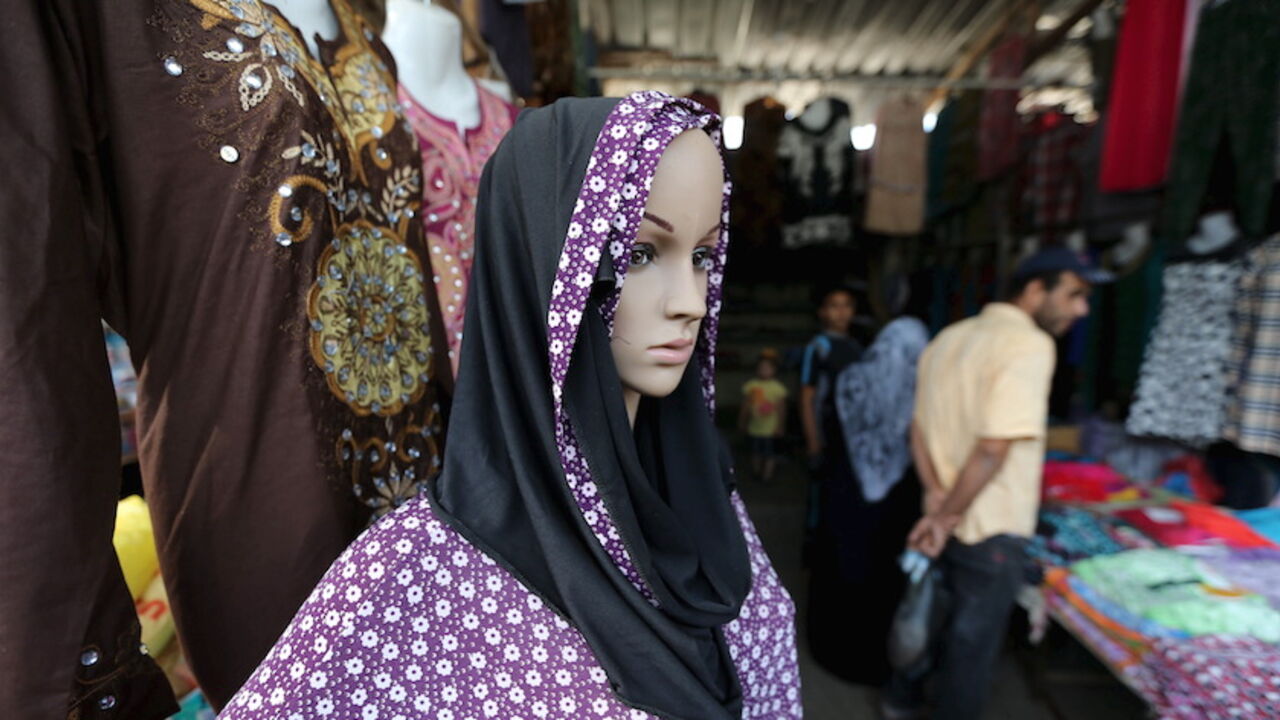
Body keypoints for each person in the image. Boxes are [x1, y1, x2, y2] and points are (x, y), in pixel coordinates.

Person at [219, 91, 802, 720]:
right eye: (638, 254)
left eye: (702, 256)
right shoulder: (404, 589)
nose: (690, 300)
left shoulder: (706, 504)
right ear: (548, 271)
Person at [883, 248, 1104, 720]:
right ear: (1033, 290)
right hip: (990, 526)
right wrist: (945, 516)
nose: (1082, 309)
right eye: (1074, 295)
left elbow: (916, 430)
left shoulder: (949, 337)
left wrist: (935, 500)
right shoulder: (1028, 345)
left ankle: (899, 703)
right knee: (970, 648)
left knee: (932, 617)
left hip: (945, 512)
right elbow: (992, 448)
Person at [807, 317, 930, 684]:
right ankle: (876, 662)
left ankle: (828, 648)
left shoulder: (850, 379)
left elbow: (825, 424)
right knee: (882, 578)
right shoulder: (920, 388)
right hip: (894, 507)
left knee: (839, 568)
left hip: (844, 496)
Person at [800, 285, 863, 559]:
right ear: (823, 312)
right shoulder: (818, 348)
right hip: (826, 432)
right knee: (821, 493)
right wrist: (813, 441)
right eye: (834, 305)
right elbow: (806, 396)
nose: (841, 312)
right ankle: (816, 546)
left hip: (851, 435)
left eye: (846, 305)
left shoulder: (856, 347)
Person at [740, 349, 788, 483]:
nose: (764, 370)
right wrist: (742, 421)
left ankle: (767, 476)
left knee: (770, 454)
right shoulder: (751, 386)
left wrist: (780, 426)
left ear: (774, 370)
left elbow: (782, 409)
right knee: (755, 453)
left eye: (768, 368)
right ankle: (756, 473)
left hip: (770, 430)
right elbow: (746, 406)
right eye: (762, 367)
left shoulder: (778, 388)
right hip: (755, 427)